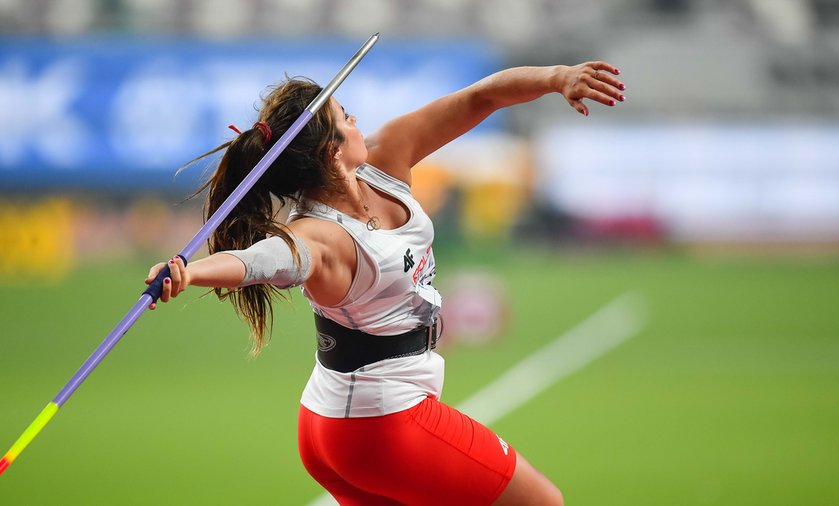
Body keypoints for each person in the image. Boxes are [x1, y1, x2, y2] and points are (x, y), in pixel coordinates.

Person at [146, 61, 625, 505]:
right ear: (330, 150)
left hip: (332, 423)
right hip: (380, 425)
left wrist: (556, 77)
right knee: (542, 502)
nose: (357, 121)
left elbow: (480, 98)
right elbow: (258, 261)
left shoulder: (385, 158)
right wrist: (187, 272)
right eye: (346, 117)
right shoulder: (319, 234)